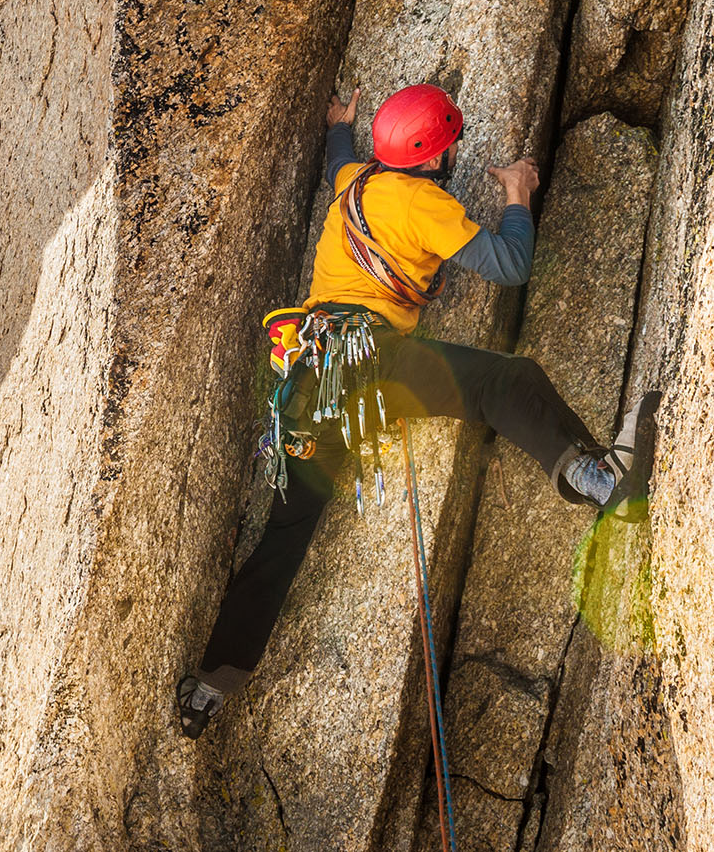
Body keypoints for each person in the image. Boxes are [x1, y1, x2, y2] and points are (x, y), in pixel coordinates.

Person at [174, 83, 658, 738]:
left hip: (308, 383)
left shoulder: (356, 187)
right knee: (504, 382)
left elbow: (336, 162)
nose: (454, 152)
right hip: (374, 363)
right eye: (451, 144)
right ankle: (597, 477)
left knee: (283, 540)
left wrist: (339, 124)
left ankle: (210, 685)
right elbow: (511, 264)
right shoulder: (426, 204)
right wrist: (518, 194)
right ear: (433, 158)